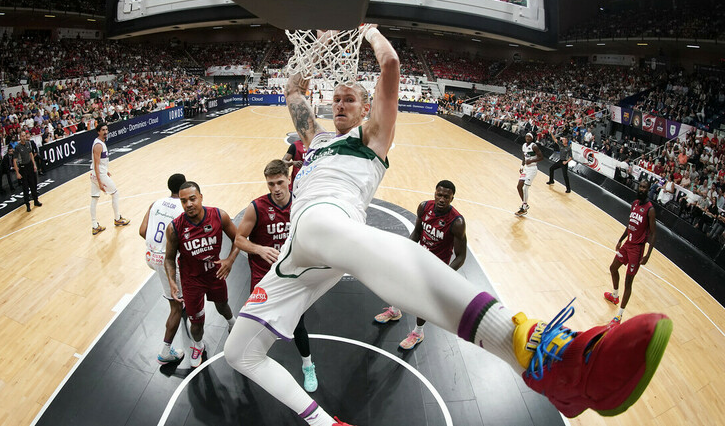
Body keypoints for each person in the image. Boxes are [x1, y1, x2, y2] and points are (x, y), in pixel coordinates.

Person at [224, 26, 671, 426]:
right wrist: (321, 40)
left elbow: (391, 64)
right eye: (335, 99)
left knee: (360, 241)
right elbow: (292, 91)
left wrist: (369, 31)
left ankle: (535, 349)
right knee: (239, 352)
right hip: (301, 253)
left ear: (365, 110)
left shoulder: (371, 137)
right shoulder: (315, 138)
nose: (339, 104)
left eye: (349, 100)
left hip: (326, 222)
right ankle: (323, 422)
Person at [234, 159, 318, 392]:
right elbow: (239, 239)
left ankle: (308, 365)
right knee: (257, 323)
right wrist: (259, 248)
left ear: (289, 179)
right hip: (263, 278)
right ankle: (254, 362)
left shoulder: (301, 204)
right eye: (270, 184)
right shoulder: (257, 207)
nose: (276, 188)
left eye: (280, 182)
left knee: (298, 324)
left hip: (292, 278)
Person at [373, 179, 467, 350]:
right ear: (435, 193)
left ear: (452, 199)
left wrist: (446, 274)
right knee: (399, 284)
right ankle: (394, 311)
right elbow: (417, 232)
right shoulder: (424, 207)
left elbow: (461, 256)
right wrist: (406, 251)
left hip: (436, 266)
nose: (441, 199)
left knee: (423, 301)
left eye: (446, 197)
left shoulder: (457, 222)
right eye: (439, 194)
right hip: (418, 257)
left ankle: (418, 332)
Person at [163, 181, 239, 367]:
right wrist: (172, 282)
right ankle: (198, 345)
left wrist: (229, 260)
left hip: (215, 274)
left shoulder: (219, 215)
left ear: (201, 197)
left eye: (192, 199)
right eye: (183, 201)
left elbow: (239, 239)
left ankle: (232, 323)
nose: (188, 204)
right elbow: (169, 259)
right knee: (196, 321)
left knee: (223, 305)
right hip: (191, 281)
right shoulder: (175, 227)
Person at [139, 173, 188, 365]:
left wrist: (157, 250)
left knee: (177, 297)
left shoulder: (155, 203)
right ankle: (165, 352)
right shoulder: (183, 208)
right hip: (167, 263)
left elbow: (142, 231)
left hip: (150, 256)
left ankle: (182, 302)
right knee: (175, 307)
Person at [605, 180, 656, 323]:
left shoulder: (650, 210)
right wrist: (621, 239)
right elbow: (630, 225)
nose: (641, 189)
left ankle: (619, 315)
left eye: (644, 187)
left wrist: (647, 254)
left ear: (648, 190)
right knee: (613, 268)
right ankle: (615, 296)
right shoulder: (634, 203)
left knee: (628, 282)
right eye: (640, 186)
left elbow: (653, 234)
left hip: (637, 249)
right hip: (628, 244)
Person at [90, 124, 130, 235]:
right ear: (98, 132)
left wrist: (105, 169)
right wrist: (100, 181)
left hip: (95, 173)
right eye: (103, 130)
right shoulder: (98, 145)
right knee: (115, 193)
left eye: (106, 129)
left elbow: (98, 163)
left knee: (94, 198)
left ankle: (94, 226)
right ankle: (117, 219)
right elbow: (97, 165)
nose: (105, 132)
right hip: (99, 175)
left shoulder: (99, 142)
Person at [13, 129, 42, 212]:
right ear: (19, 137)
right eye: (22, 136)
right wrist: (17, 173)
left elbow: (31, 154)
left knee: (33, 184)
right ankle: (27, 205)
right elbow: (14, 160)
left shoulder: (28, 143)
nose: (23, 137)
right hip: (23, 168)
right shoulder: (17, 147)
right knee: (25, 187)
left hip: (29, 166)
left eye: (24, 135)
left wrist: (34, 165)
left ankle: (36, 201)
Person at [516, 132, 543, 216]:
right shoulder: (524, 146)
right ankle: (525, 204)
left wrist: (531, 160)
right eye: (526, 136)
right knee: (519, 186)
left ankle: (524, 208)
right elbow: (524, 157)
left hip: (532, 169)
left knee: (525, 188)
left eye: (529, 137)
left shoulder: (534, 146)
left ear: (532, 138)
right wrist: (521, 165)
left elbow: (541, 157)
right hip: (526, 169)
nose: (527, 138)